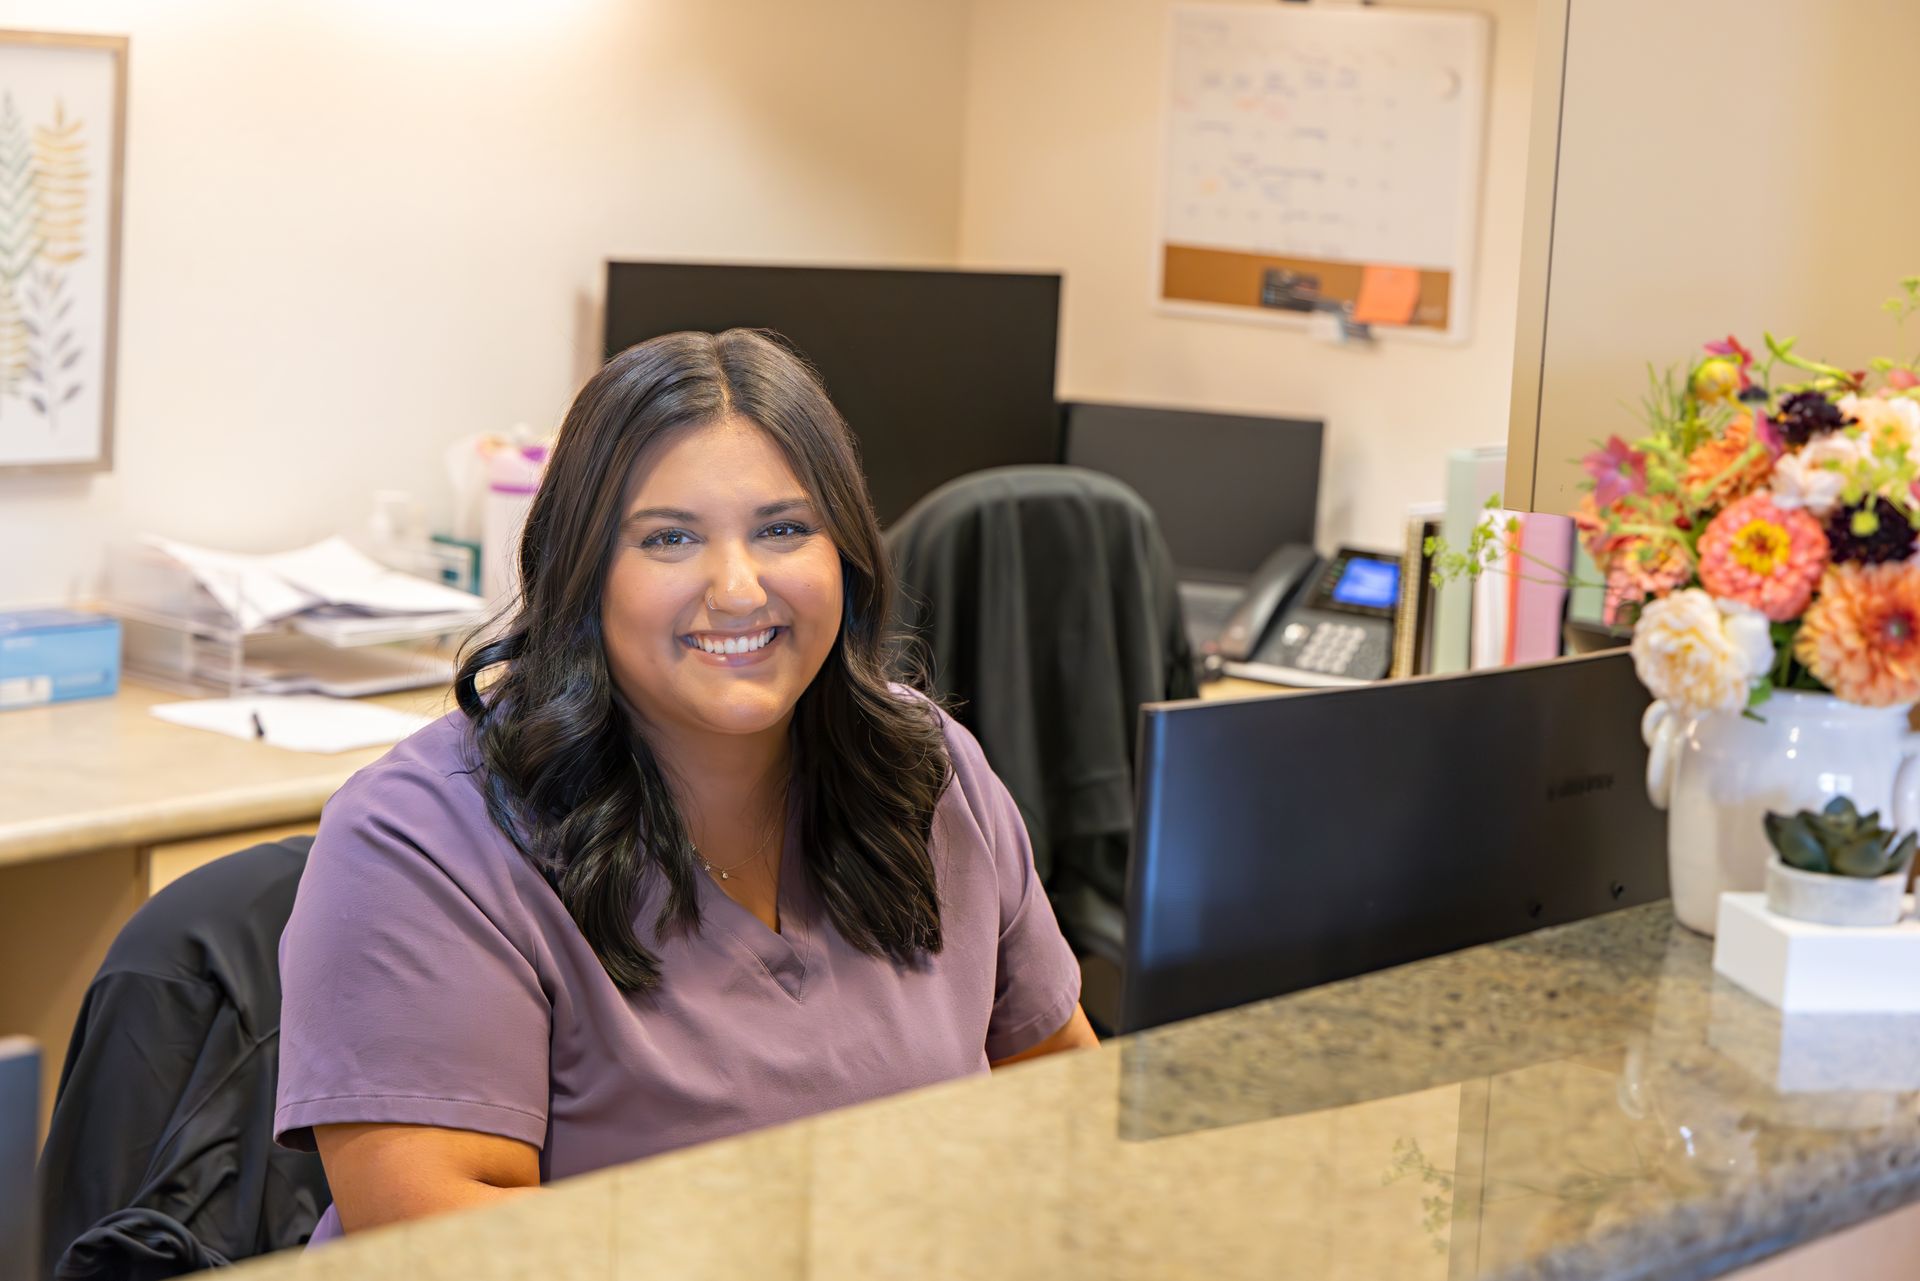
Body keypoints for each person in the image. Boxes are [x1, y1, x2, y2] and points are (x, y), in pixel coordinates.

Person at [274, 329, 1097, 1240]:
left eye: (784, 529)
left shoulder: (924, 769)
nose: (739, 588)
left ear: (847, 556)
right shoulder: (424, 839)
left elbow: (1058, 1090)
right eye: (670, 538)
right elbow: (442, 1244)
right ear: (583, 573)